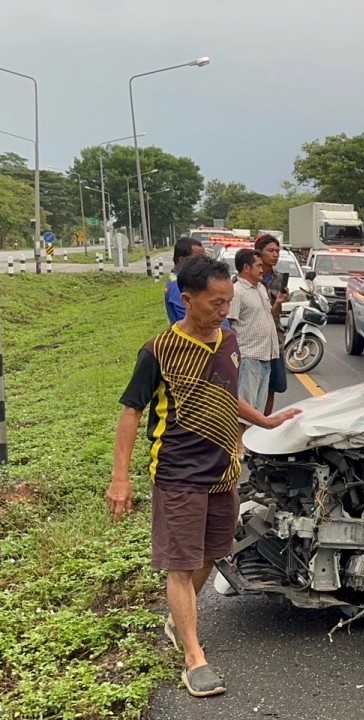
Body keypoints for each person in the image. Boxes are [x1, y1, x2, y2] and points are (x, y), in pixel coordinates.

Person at [107, 255, 300, 698]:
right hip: (177, 474)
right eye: (215, 303)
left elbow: (227, 397)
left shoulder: (228, 340)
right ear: (188, 299)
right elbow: (131, 413)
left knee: (212, 554)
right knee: (182, 565)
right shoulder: (158, 350)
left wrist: (265, 423)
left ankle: (180, 618)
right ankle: (194, 657)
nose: (223, 311)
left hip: (222, 474)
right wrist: (121, 479)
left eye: (228, 302)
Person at [227, 249, 279, 416]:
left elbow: (268, 315)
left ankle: (249, 441)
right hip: (249, 356)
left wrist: (278, 303)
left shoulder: (261, 288)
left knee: (257, 408)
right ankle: (238, 442)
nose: (262, 269)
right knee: (245, 408)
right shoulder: (237, 291)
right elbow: (229, 324)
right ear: (246, 268)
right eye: (258, 266)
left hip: (266, 355)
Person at [254, 234, 289, 412]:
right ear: (259, 252)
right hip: (252, 342)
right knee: (251, 387)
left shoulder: (280, 279)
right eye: (271, 251)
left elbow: (275, 313)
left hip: (275, 339)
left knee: (272, 386)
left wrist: (280, 302)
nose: (275, 255)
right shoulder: (246, 279)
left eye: (277, 251)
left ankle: (265, 423)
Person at [164, 237, 205, 324]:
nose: (203, 263)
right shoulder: (178, 285)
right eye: (197, 259)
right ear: (181, 260)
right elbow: (189, 322)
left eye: (204, 258)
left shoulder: (186, 279)